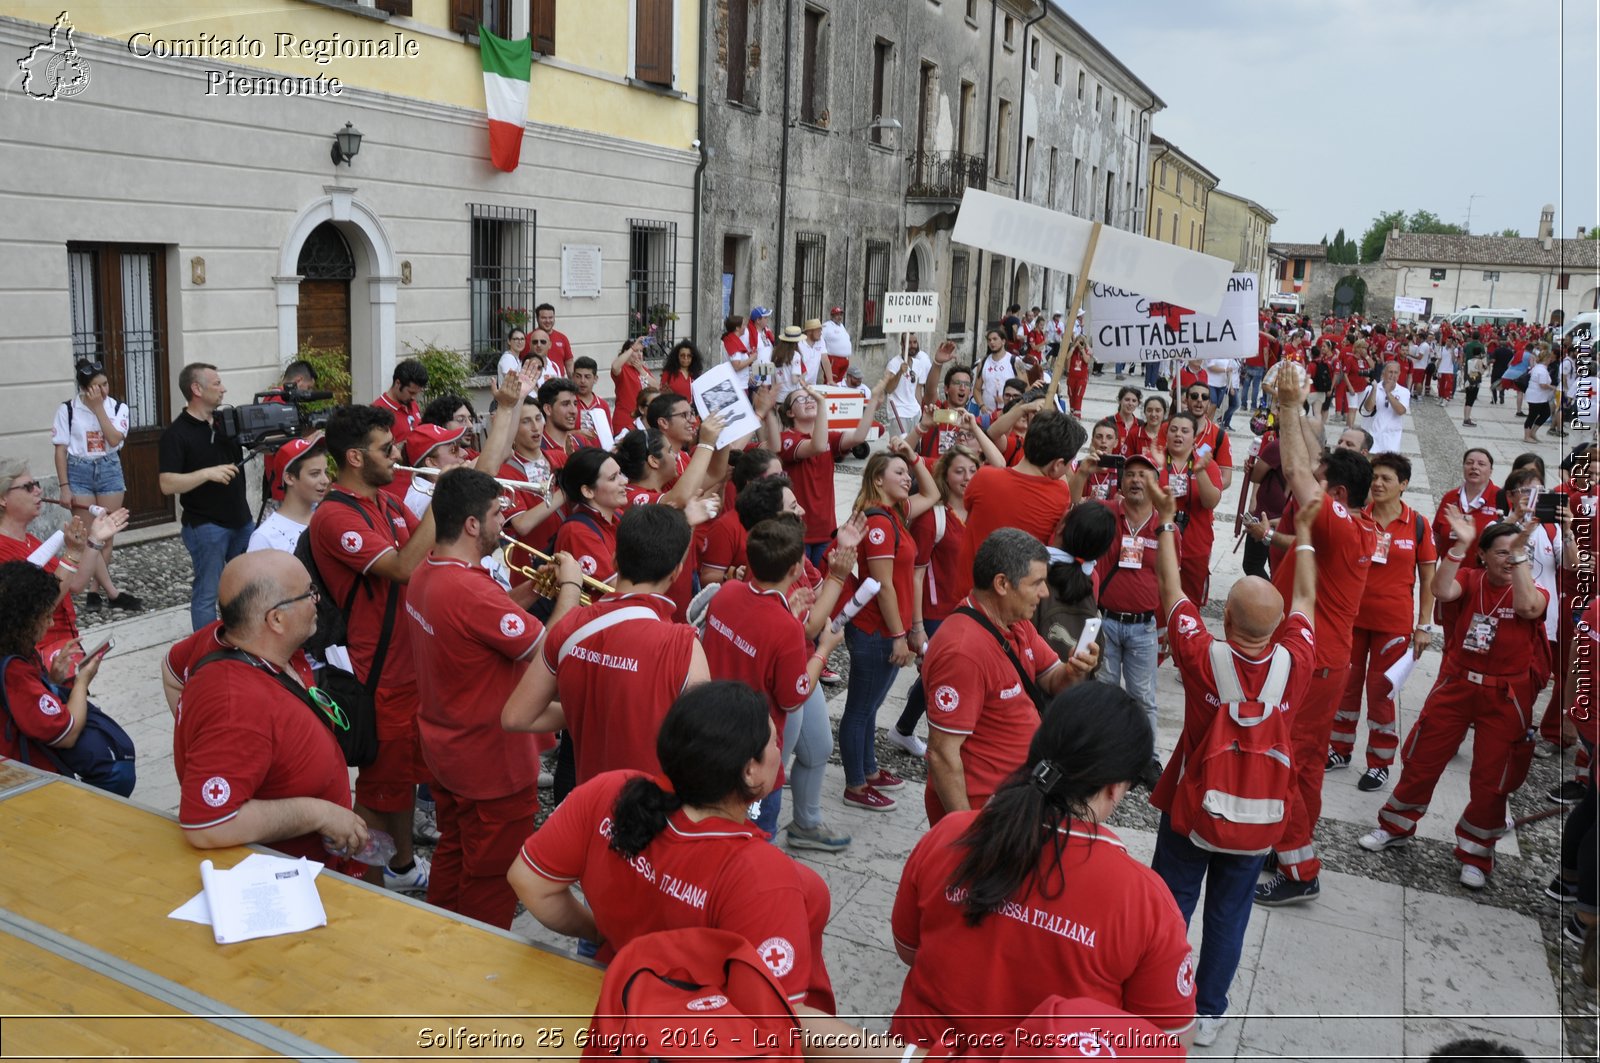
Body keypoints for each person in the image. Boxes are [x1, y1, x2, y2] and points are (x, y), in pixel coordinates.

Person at [891, 682, 1195, 1052]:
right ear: (1116, 787)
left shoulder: (950, 834)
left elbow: (908, 948)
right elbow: (1165, 1041)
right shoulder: (1146, 902)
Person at [508, 681, 835, 1009]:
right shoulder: (760, 874)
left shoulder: (610, 791)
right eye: (774, 740)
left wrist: (599, 933)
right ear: (749, 771)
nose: (780, 749)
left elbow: (529, 880)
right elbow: (776, 1019)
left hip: (618, 999)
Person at [1147, 474, 1317, 1048]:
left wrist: (1168, 522)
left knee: (1171, 903)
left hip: (1194, 808)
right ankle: (1211, 1010)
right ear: (1277, 630)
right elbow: (1307, 602)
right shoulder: (1296, 663)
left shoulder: (1202, 656)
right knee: (1229, 915)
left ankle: (1154, 995)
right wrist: (1306, 538)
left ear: (1226, 621)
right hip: (1257, 818)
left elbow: (1173, 592)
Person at [405, 467, 578, 928]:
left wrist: (528, 591)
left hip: (449, 748)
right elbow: (550, 650)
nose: (506, 522)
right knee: (490, 881)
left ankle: (439, 939)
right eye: (499, 513)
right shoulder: (468, 589)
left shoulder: (428, 571)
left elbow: (482, 622)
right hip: (490, 761)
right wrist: (571, 588)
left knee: (454, 852)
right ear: (472, 525)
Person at [1359, 515, 1549, 889]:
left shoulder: (1529, 585)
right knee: (1422, 758)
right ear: (1482, 555)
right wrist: (1458, 547)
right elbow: (1442, 590)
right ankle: (1395, 825)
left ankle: (1476, 852)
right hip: (1458, 684)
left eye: (1515, 554)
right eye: (1501, 554)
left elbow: (1530, 609)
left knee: (1492, 778)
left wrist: (1521, 557)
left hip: (1504, 695)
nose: (1508, 561)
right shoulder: (1470, 578)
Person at [1254, 367, 1376, 906]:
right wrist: (1299, 410)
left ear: (1339, 493)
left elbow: (1299, 473)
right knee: (1302, 762)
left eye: (1324, 482)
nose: (1312, 486)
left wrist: (1285, 406)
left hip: (1311, 664)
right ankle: (1284, 843)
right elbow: (1309, 458)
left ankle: (1301, 869)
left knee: (1284, 757)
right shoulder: (1353, 524)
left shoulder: (1340, 522)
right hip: (1320, 661)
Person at [308, 404, 437, 892]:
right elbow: (403, 567)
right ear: (356, 458)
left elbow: (428, 548)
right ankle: (352, 881)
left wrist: (507, 410)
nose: (398, 456)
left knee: (399, 780)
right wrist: (443, 503)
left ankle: (401, 868)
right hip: (376, 673)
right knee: (378, 787)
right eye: (387, 449)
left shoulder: (385, 503)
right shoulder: (336, 516)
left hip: (405, 666)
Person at [174, 550, 368, 863]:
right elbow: (207, 825)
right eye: (308, 593)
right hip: (286, 883)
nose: (317, 600)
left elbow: (172, 669)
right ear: (275, 619)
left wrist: (195, 740)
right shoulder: (235, 709)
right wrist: (318, 813)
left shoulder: (225, 636)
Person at [503, 504, 708, 787]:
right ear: (676, 572)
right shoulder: (683, 645)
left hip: (589, 803)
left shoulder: (570, 624)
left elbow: (515, 717)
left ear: (613, 561)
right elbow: (703, 754)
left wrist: (588, 710)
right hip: (653, 809)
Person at [921, 528, 1100, 823]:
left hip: (1018, 799)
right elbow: (941, 755)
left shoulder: (1017, 622)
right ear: (1002, 584)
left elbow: (1054, 680)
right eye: (1038, 583)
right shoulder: (962, 653)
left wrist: (1075, 671)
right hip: (986, 811)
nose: (1045, 594)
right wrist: (966, 831)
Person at [702, 514, 847, 839]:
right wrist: (823, 650)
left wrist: (791, 619)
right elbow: (794, 696)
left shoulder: (727, 593)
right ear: (797, 570)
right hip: (756, 752)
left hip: (714, 733)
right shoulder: (784, 628)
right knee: (756, 843)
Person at [838, 441, 941, 812]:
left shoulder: (894, 511)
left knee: (871, 704)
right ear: (878, 480)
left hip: (885, 629)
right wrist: (900, 635)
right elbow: (881, 587)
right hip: (875, 630)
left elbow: (933, 491)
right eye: (898, 473)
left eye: (907, 472)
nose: (908, 477)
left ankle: (868, 770)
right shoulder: (879, 521)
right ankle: (855, 785)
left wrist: (912, 456)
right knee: (860, 709)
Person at [1327, 453, 1438, 793]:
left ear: (1403, 485)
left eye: (1386, 479)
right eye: (1375, 477)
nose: (1377, 483)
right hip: (1352, 618)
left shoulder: (1417, 524)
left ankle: (1380, 762)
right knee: (1345, 687)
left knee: (1381, 694)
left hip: (1393, 624)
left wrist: (1424, 625)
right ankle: (1339, 749)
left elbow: (1428, 577)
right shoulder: (1358, 516)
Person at [894, 428, 1007, 757]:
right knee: (945, 678)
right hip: (935, 614)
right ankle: (947, 746)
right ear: (945, 475)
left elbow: (998, 466)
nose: (968, 477)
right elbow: (916, 576)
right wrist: (916, 627)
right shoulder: (933, 518)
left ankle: (903, 729)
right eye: (960, 471)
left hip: (969, 608)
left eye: (973, 471)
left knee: (934, 676)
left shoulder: (980, 511)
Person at [0, 460, 125, 669]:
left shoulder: (31, 540)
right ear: (3, 498)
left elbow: (74, 584)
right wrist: (72, 554)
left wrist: (94, 540)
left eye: (37, 484)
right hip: (37, 656)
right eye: (28, 487)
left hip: (64, 647)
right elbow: (38, 605)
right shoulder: (3, 548)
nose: (38, 491)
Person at [159, 363, 253, 630]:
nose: (223, 389)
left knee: (244, 586)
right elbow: (166, 483)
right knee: (207, 594)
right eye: (216, 384)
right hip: (206, 527)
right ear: (196, 389)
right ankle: (207, 653)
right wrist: (206, 473)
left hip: (241, 521)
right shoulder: (176, 434)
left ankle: (241, 639)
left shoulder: (227, 423)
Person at [0, 561, 112, 784]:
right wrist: (81, 681)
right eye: (46, 615)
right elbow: (66, 733)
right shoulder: (13, 669)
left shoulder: (13, 650)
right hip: (26, 780)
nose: (51, 622)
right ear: (25, 619)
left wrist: (51, 681)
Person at [958, 410, 1085, 598]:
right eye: (1069, 464)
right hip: (1018, 602)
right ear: (1058, 465)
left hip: (969, 595)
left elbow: (968, 507)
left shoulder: (983, 477)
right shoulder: (1059, 494)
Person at [1092, 454, 1171, 736]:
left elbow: (1169, 582)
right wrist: (1081, 475)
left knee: (1143, 698)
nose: (1136, 480)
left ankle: (1147, 760)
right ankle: (1101, 755)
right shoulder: (1105, 512)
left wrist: (1169, 626)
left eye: (1144, 475)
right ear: (1121, 482)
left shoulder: (1166, 528)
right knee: (1102, 695)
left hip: (1143, 628)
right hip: (1106, 623)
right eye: (1131, 474)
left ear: (1155, 484)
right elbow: (1073, 505)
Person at [52, 359, 139, 611]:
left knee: (106, 535)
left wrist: (99, 408)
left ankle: (95, 590)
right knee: (90, 535)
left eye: (106, 384)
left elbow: (113, 439)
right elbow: (60, 452)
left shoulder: (117, 407)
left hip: (109, 468)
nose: (103, 390)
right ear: (84, 388)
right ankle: (108, 592)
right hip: (78, 469)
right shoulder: (67, 409)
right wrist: (64, 486)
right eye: (97, 386)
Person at [771, 380, 885, 567]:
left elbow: (858, 437)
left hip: (826, 529)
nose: (809, 400)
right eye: (801, 399)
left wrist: (872, 401)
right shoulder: (787, 439)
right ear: (790, 413)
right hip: (798, 533)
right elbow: (816, 446)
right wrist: (822, 404)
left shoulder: (827, 438)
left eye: (811, 397)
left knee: (825, 584)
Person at [1035, 500, 1117, 666]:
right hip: (1076, 674)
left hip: (1039, 671)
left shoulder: (1035, 569)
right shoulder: (1092, 577)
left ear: (1061, 527)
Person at [1160, 412, 1224, 606]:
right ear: (1167, 434)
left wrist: (1200, 472)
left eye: (1185, 431)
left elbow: (1210, 502)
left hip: (1195, 545)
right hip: (1160, 542)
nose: (1178, 434)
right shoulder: (1153, 461)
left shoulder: (1207, 464)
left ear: (1194, 438)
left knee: (1190, 604)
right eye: (1174, 430)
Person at [248, 436, 329, 553]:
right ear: (289, 478)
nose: (325, 480)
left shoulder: (328, 521)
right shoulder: (265, 537)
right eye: (315, 474)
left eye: (325, 472)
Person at [1433, 449, 1502, 571]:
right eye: (1469, 463)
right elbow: (1436, 536)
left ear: (1491, 471)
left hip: (1484, 578)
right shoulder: (1450, 497)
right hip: (1448, 575)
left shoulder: (1501, 498)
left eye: (1481, 464)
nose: (1474, 467)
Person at [372, 358, 429, 500]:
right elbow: (375, 450)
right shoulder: (378, 410)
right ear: (398, 383)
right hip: (394, 486)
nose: (414, 397)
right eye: (411, 392)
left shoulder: (412, 404)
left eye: (417, 393)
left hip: (416, 481)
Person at [537, 377, 596, 470]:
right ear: (548, 409)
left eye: (575, 404)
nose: (573, 411)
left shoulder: (581, 442)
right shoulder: (537, 447)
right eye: (565, 404)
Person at [1355, 361, 1410, 454]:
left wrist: (1388, 393)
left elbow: (1400, 411)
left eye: (1395, 372)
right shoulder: (1371, 388)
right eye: (1390, 372)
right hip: (1371, 437)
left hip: (1390, 439)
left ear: (1399, 374)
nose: (1393, 375)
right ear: (1383, 373)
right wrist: (1375, 388)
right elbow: (1368, 408)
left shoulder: (1404, 392)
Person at [610, 336, 656, 434]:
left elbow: (657, 388)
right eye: (636, 351)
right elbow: (615, 367)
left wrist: (642, 371)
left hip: (643, 421)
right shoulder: (623, 369)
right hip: (625, 420)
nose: (639, 354)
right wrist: (632, 348)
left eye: (641, 351)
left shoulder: (643, 370)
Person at [885, 336, 930, 435]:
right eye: (909, 342)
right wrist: (900, 372)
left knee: (913, 448)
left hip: (915, 412)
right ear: (902, 344)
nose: (912, 345)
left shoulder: (919, 364)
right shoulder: (893, 363)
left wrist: (921, 410)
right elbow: (888, 389)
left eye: (914, 342)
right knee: (899, 448)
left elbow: (918, 391)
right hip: (899, 413)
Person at [568, 357, 612, 438]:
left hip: (598, 450)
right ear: (573, 377)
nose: (582, 381)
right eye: (578, 376)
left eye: (587, 377)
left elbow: (608, 436)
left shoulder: (603, 405)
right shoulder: (567, 403)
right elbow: (557, 434)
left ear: (595, 379)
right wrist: (576, 433)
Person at [977, 329, 1015, 414]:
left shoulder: (1015, 362)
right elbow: (977, 389)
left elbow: (1025, 388)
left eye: (995, 339)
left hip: (1008, 414)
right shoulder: (983, 362)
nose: (992, 342)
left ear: (1003, 341)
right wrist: (981, 405)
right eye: (989, 340)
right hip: (987, 415)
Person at [1524, 348, 1557, 442]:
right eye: (1550, 358)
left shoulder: (1539, 368)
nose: (1551, 360)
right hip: (1536, 396)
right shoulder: (1541, 370)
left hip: (1541, 397)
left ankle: (1533, 432)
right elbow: (1542, 385)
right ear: (1546, 359)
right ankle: (1527, 436)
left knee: (1545, 413)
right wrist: (1552, 387)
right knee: (1532, 416)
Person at [534, 303, 572, 375]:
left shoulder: (562, 338)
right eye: (544, 318)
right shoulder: (529, 339)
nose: (548, 321)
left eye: (550, 317)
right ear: (537, 318)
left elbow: (569, 364)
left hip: (559, 384)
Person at [821, 306, 852, 383]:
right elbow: (820, 338)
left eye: (841, 314)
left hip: (844, 360)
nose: (839, 317)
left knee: (840, 383)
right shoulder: (826, 326)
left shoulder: (841, 326)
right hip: (833, 359)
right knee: (831, 381)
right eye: (837, 315)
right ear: (832, 316)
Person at [798, 318, 833, 386]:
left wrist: (830, 380)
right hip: (799, 385)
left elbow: (825, 360)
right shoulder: (799, 343)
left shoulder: (821, 340)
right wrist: (803, 383)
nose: (821, 333)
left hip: (812, 385)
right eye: (818, 331)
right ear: (809, 332)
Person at [721, 315, 752, 391]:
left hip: (739, 384)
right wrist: (751, 359)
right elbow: (736, 366)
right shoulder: (732, 342)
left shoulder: (732, 340)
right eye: (743, 325)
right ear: (737, 328)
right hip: (738, 385)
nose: (745, 327)